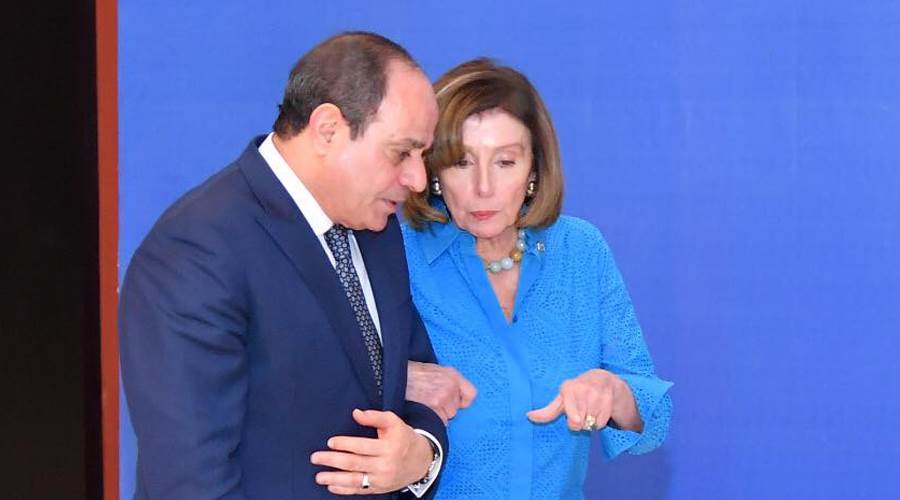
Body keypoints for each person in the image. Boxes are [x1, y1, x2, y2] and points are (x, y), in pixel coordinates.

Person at [119, 32, 449, 499]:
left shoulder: (376, 229)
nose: (417, 179)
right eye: (402, 152)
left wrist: (421, 456)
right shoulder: (195, 251)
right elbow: (190, 483)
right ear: (328, 129)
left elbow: (414, 387)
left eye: (423, 155)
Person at [402, 58, 674, 499]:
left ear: (534, 169)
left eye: (505, 162)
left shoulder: (580, 250)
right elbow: (329, 390)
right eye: (462, 163)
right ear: (433, 171)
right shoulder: (396, 256)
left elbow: (654, 419)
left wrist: (613, 392)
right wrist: (397, 380)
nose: (484, 187)